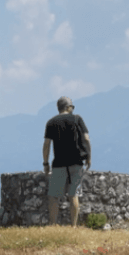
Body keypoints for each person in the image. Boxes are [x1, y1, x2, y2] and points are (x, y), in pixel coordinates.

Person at [42, 96, 92, 226]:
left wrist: (46, 163)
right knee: (73, 194)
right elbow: (87, 139)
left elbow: (46, 145)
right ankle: (74, 226)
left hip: (59, 164)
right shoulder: (77, 119)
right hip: (77, 162)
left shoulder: (51, 122)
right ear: (69, 107)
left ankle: (53, 225)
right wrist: (89, 157)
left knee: (54, 196)